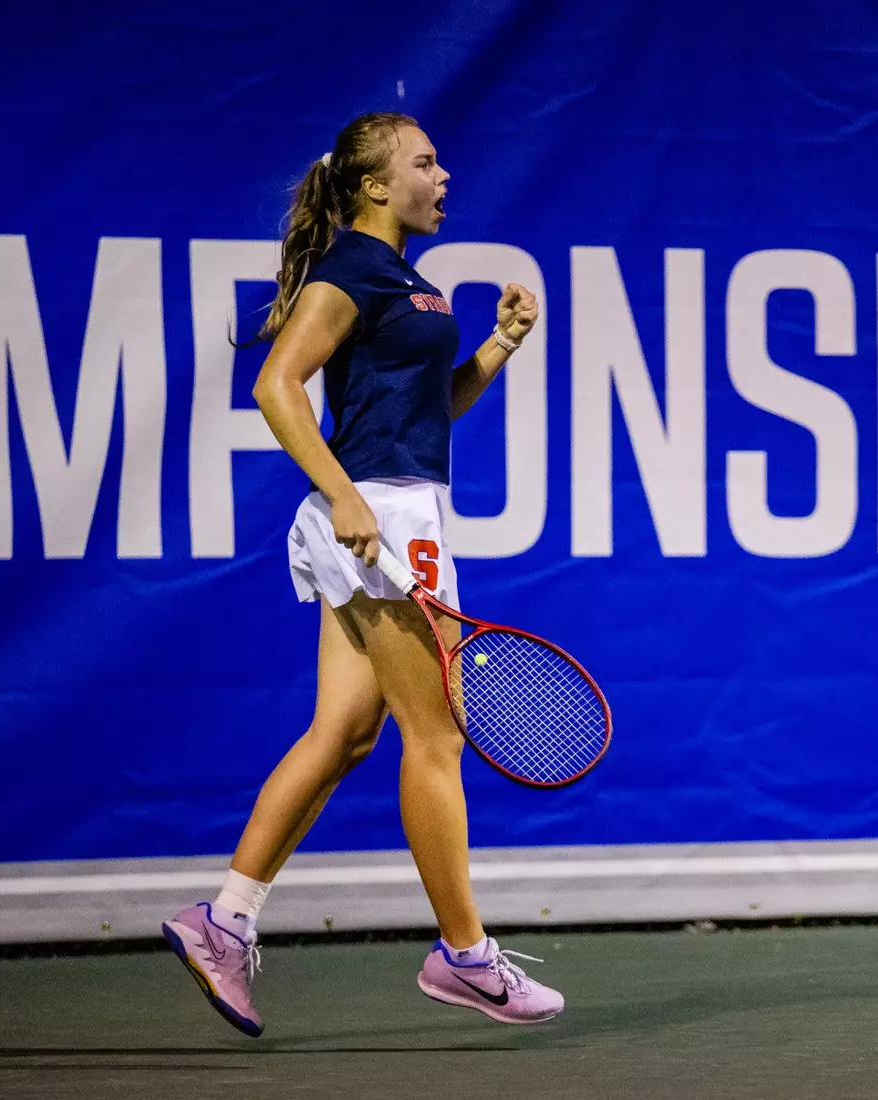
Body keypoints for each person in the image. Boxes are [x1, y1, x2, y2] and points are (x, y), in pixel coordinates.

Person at [161, 111, 561, 1035]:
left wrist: (496, 350)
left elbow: (427, 413)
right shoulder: (348, 270)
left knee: (342, 736)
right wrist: (344, 496)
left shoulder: (406, 281)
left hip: (394, 508)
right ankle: (465, 957)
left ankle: (223, 922)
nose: (444, 175)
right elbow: (276, 384)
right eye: (425, 163)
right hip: (383, 521)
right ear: (376, 185)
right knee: (437, 742)